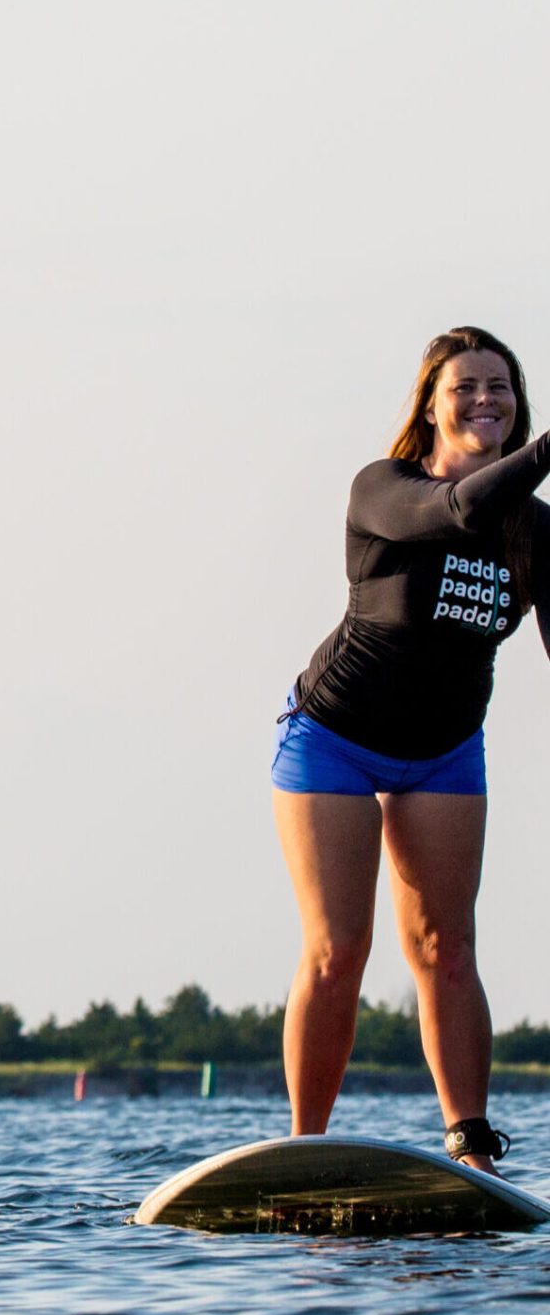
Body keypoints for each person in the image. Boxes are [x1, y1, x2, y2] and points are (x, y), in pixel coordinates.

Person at [273, 327, 550, 1173]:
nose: (484, 400)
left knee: (446, 947)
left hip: (445, 751)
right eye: (464, 386)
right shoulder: (385, 489)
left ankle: (470, 1143)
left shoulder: (537, 530)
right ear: (431, 406)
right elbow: (458, 511)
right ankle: (304, 1146)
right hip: (335, 740)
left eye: (499, 385)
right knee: (339, 949)